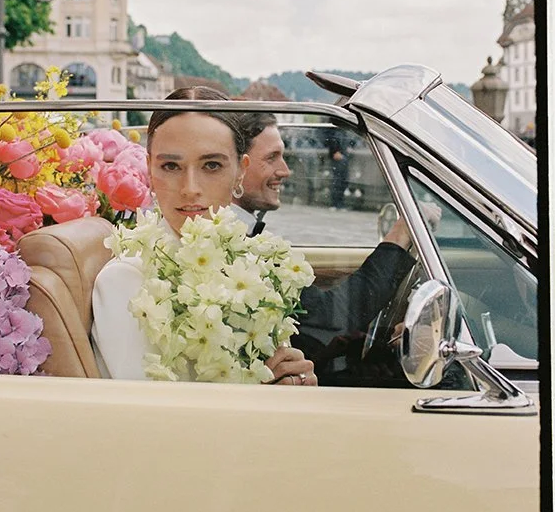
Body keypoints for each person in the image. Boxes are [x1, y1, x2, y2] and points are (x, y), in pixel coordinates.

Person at [91, 87, 317, 387]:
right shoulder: (125, 280)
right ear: (149, 169)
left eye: (211, 165)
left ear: (240, 171)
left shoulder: (251, 264)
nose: (190, 188)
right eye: (171, 166)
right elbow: (147, 409)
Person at [233, 110, 429, 382]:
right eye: (271, 158)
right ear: (235, 167)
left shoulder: (242, 236)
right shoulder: (235, 246)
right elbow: (330, 318)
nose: (285, 170)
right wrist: (400, 235)